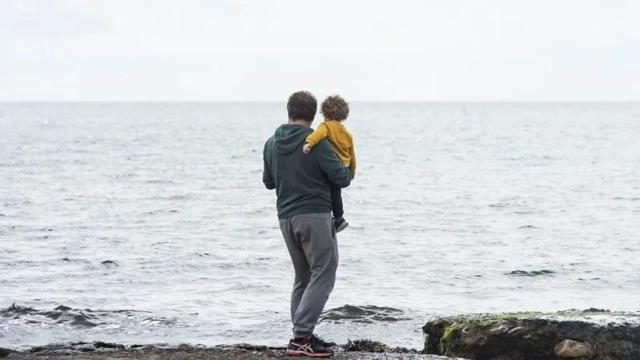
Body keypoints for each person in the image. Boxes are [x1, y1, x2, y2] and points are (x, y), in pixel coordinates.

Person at [263, 91, 352, 357]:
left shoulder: (271, 143)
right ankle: (302, 336)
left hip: (286, 218)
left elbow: (269, 182)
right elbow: (341, 178)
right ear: (314, 116)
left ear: (288, 111)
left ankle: (302, 335)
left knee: (303, 277)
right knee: (324, 272)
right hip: (314, 216)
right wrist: (347, 166)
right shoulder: (318, 143)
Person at [302, 95, 355, 233]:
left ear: (324, 113)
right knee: (336, 193)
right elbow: (352, 154)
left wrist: (308, 143)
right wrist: (352, 172)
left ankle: (335, 219)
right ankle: (339, 217)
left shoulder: (325, 126)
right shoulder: (347, 133)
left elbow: (317, 135)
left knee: (330, 190)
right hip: (343, 166)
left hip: (332, 165)